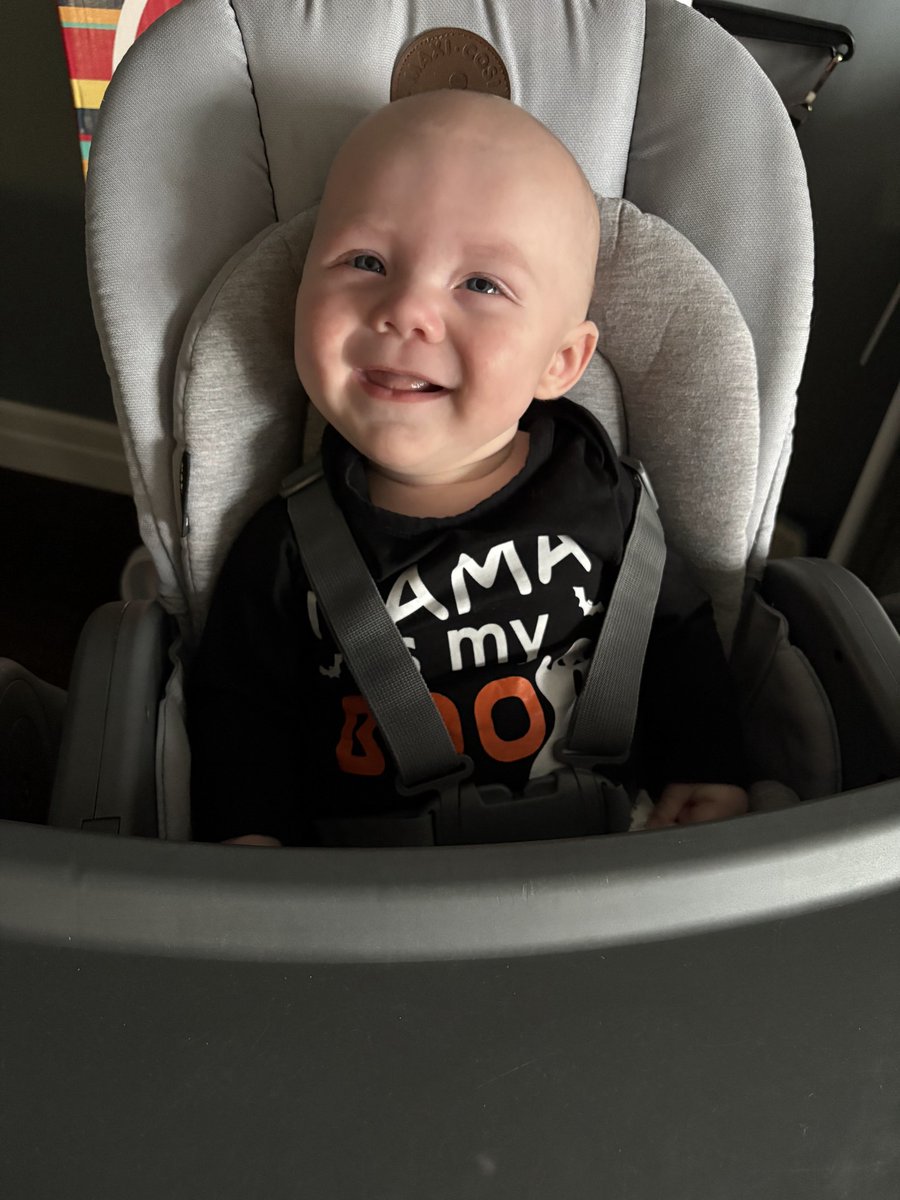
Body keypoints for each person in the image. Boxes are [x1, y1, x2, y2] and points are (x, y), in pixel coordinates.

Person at [188, 89, 749, 847]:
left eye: (480, 284)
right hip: (368, 893)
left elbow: (677, 639)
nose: (406, 309)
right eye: (366, 261)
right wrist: (252, 838)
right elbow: (241, 714)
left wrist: (705, 765)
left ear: (561, 361)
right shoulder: (283, 552)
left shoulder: (604, 499)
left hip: (604, 861)